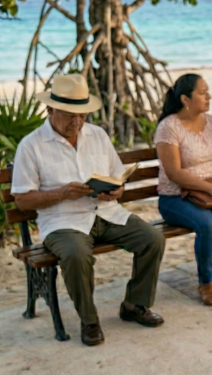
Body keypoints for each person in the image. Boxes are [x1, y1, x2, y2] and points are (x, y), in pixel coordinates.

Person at [12, 75, 165, 346]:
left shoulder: (97, 135)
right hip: (62, 221)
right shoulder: (31, 145)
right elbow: (22, 200)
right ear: (50, 110)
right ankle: (89, 320)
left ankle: (134, 305)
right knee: (75, 254)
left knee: (152, 238)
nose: (77, 123)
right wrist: (62, 193)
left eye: (82, 115)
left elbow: (118, 176)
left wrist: (116, 190)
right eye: (70, 116)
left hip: (106, 212)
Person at [155, 74, 212, 306]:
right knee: (209, 224)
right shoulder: (169, 127)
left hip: (211, 193)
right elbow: (174, 173)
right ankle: (206, 281)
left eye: (208, 92)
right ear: (186, 99)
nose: (209, 97)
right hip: (175, 197)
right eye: (203, 93)